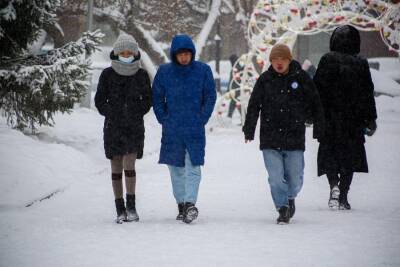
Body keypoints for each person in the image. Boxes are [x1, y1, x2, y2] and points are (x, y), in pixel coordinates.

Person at [243, 44, 324, 224]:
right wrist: (249, 128)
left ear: (289, 60)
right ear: (271, 61)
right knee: (275, 177)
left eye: (283, 59)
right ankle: (282, 207)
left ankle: (290, 196)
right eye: (275, 60)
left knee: (295, 178)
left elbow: (315, 102)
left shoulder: (301, 78)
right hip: (270, 137)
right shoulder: (265, 80)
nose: (279, 63)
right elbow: (254, 105)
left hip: (294, 136)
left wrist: (317, 125)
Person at [152, 34, 216, 224]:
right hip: (172, 129)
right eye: (180, 54)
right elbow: (156, 97)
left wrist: (202, 118)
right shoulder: (164, 72)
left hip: (195, 127)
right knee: (176, 169)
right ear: (174, 54)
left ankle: (190, 203)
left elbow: (210, 96)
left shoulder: (203, 71)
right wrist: (164, 118)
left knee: (194, 166)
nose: (184, 57)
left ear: (192, 53)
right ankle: (181, 203)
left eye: (187, 53)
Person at [313, 25, 377, 210]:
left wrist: (313, 113)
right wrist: (370, 118)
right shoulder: (360, 63)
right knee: (349, 158)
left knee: (329, 155)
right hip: (353, 121)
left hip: (329, 119)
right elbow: (367, 93)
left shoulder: (327, 60)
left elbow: (317, 89)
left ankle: (333, 185)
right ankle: (344, 195)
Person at [95, 34, 152, 223]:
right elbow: (99, 100)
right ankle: (119, 208)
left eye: (129, 52)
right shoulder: (107, 74)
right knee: (116, 166)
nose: (126, 54)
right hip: (113, 127)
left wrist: (135, 112)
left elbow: (147, 100)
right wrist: (112, 112)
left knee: (130, 164)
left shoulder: (141, 74)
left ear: (135, 53)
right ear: (117, 53)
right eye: (123, 52)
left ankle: (131, 206)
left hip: (134, 127)